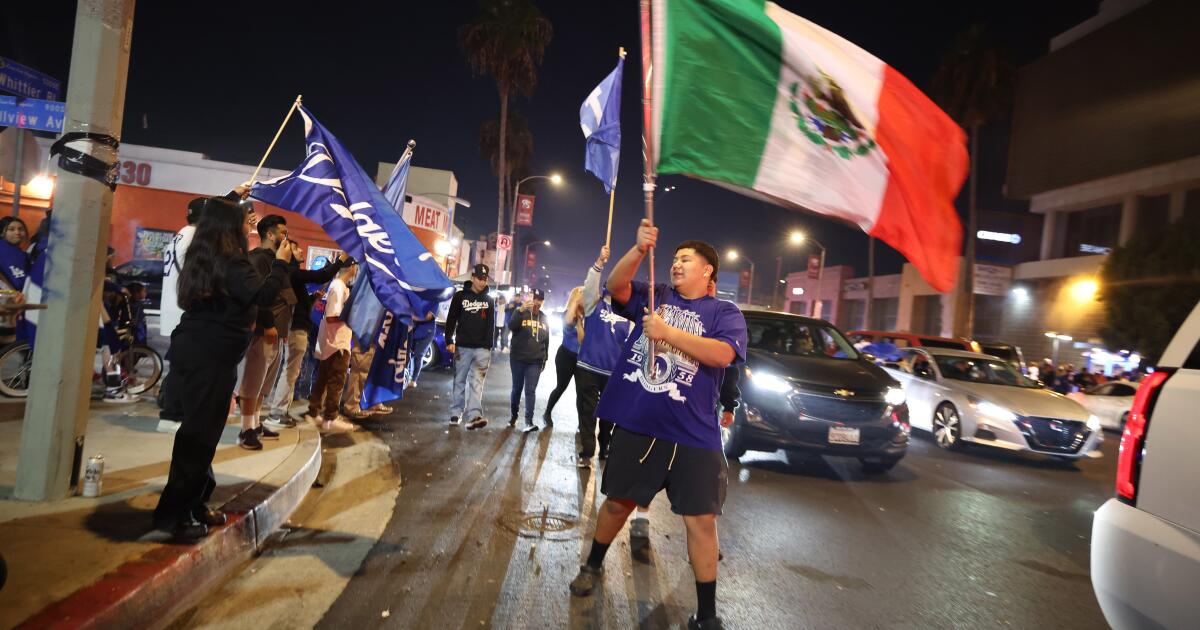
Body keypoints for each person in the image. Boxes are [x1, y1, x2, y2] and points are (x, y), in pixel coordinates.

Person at [570, 219, 747, 630]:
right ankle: (593, 565)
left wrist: (667, 333)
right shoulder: (657, 295)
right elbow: (616, 286)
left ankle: (707, 614)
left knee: (701, 521)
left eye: (686, 259)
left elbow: (722, 355)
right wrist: (638, 250)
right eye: (674, 258)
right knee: (618, 503)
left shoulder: (725, 312)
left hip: (695, 436)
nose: (676, 264)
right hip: (641, 425)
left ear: (708, 271)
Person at [153, 196, 293, 541]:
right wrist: (280, 263)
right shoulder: (231, 261)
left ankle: (196, 502)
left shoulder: (207, 257)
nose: (249, 225)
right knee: (197, 439)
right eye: (244, 220)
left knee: (203, 436)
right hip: (208, 357)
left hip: (201, 353)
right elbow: (262, 296)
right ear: (229, 226)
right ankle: (174, 516)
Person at [235, 215, 297, 449]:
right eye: (282, 232)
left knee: (264, 384)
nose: (286, 236)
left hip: (276, 332)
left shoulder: (277, 260)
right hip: (263, 331)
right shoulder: (258, 259)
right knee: (252, 383)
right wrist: (268, 324)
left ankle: (255, 423)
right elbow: (259, 297)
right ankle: (246, 430)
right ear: (269, 235)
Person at [574, 246, 634, 468]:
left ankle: (605, 446)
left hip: (613, 373)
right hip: (588, 368)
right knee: (587, 413)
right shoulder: (594, 304)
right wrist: (599, 262)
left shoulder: (629, 315)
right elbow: (590, 285)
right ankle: (587, 452)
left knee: (609, 414)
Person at [305, 260, 359, 433]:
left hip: (332, 341)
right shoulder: (338, 286)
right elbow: (331, 316)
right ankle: (330, 417)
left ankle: (314, 412)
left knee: (323, 378)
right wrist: (352, 316)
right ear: (351, 267)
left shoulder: (339, 286)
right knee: (336, 380)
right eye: (356, 266)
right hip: (337, 342)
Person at [445, 263, 495, 430]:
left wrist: (488, 346)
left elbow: (491, 325)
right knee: (459, 380)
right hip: (462, 346)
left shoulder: (489, 301)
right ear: (473, 278)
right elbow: (451, 319)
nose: (482, 282)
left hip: (482, 349)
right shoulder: (460, 296)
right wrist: (449, 340)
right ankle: (456, 412)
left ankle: (474, 415)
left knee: (477, 382)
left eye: (484, 279)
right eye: (479, 278)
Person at [507, 288, 550, 432]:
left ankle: (528, 422)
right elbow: (511, 326)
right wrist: (519, 311)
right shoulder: (521, 313)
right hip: (518, 358)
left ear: (542, 302)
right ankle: (514, 416)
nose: (537, 302)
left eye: (540, 299)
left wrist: (545, 359)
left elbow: (547, 341)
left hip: (535, 361)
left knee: (530, 390)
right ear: (530, 298)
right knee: (517, 389)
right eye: (535, 298)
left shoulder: (544, 318)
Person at [543, 286, 583, 426]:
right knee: (561, 387)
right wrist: (576, 308)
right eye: (582, 295)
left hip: (582, 359)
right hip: (566, 356)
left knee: (582, 392)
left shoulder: (589, 315)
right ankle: (547, 412)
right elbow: (569, 323)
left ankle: (582, 424)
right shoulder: (568, 314)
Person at [0, 216, 31, 344]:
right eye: (11, 229)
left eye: (20, 229)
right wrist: (11, 291)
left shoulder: (23, 255)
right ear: (2, 232)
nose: (17, 232)